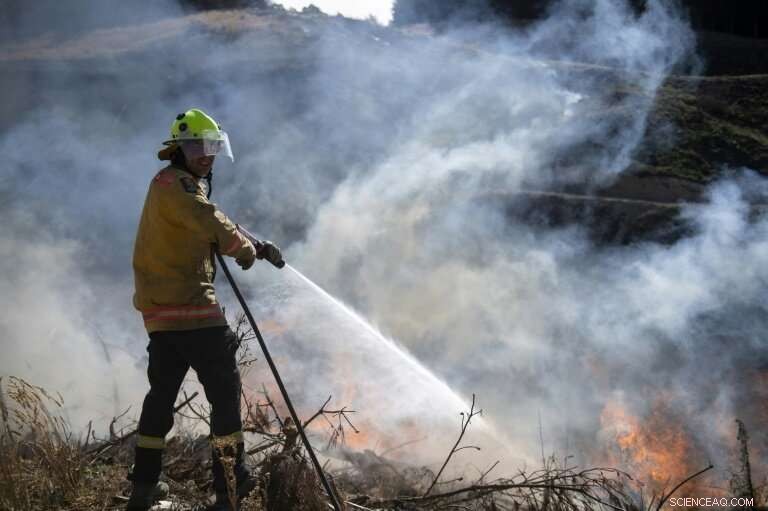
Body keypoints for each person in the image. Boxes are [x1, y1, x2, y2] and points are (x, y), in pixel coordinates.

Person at [126, 108, 282, 511]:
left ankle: (143, 487)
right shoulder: (175, 184)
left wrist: (257, 243)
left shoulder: (176, 185)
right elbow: (207, 217)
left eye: (212, 146)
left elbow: (212, 217)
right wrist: (244, 250)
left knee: (160, 398)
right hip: (192, 308)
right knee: (225, 396)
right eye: (198, 146)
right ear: (178, 148)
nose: (207, 154)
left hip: (163, 315)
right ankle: (231, 485)